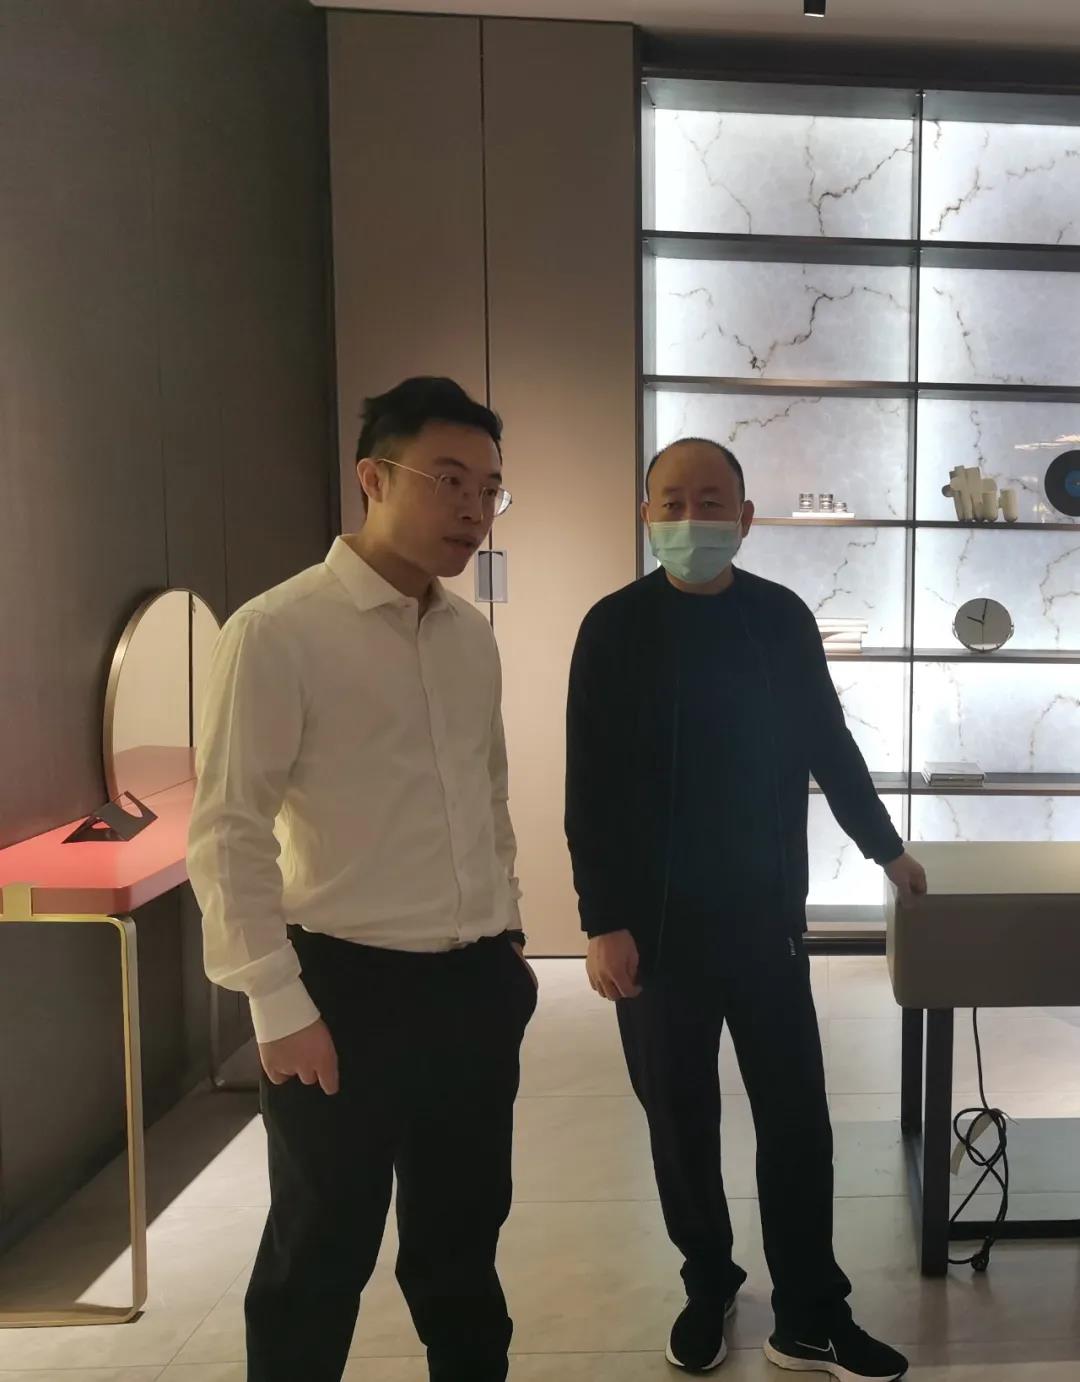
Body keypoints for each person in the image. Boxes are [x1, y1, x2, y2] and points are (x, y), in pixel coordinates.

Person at [188, 377, 536, 1382]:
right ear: (373, 478)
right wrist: (275, 1001)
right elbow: (228, 831)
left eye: (490, 489)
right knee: (320, 1249)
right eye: (448, 480)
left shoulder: (470, 636)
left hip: (473, 985)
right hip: (343, 991)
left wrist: (508, 938)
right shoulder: (279, 630)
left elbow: (488, 795)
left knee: (463, 1245)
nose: (473, 509)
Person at [565, 437, 926, 1382]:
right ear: (647, 516)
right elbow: (589, 788)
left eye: (712, 501)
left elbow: (828, 743)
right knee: (679, 1121)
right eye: (672, 502)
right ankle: (709, 1283)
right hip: (654, 937)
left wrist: (885, 848)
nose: (693, 519)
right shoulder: (613, 628)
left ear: (747, 516)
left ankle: (810, 1312)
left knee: (797, 1120)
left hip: (765, 924)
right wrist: (601, 920)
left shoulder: (780, 618)